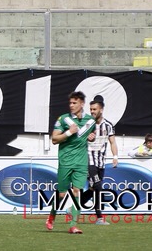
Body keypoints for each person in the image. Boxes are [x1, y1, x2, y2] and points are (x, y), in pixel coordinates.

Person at [47, 91, 96, 234]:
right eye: (70, 103)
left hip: (81, 162)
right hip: (66, 161)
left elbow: (87, 136)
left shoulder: (90, 121)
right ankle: (51, 217)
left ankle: (73, 225)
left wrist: (91, 138)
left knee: (77, 192)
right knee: (62, 195)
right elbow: (54, 139)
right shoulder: (63, 119)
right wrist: (69, 132)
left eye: (74, 103)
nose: (71, 105)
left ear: (82, 104)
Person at [87, 95, 119, 225]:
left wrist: (115, 156)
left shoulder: (108, 125)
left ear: (101, 109)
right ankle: (100, 218)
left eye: (94, 109)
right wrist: (85, 138)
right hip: (88, 160)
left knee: (93, 189)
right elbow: (76, 140)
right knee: (98, 186)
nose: (92, 112)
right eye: (91, 109)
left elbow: (112, 142)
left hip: (101, 161)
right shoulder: (87, 124)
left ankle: (72, 209)